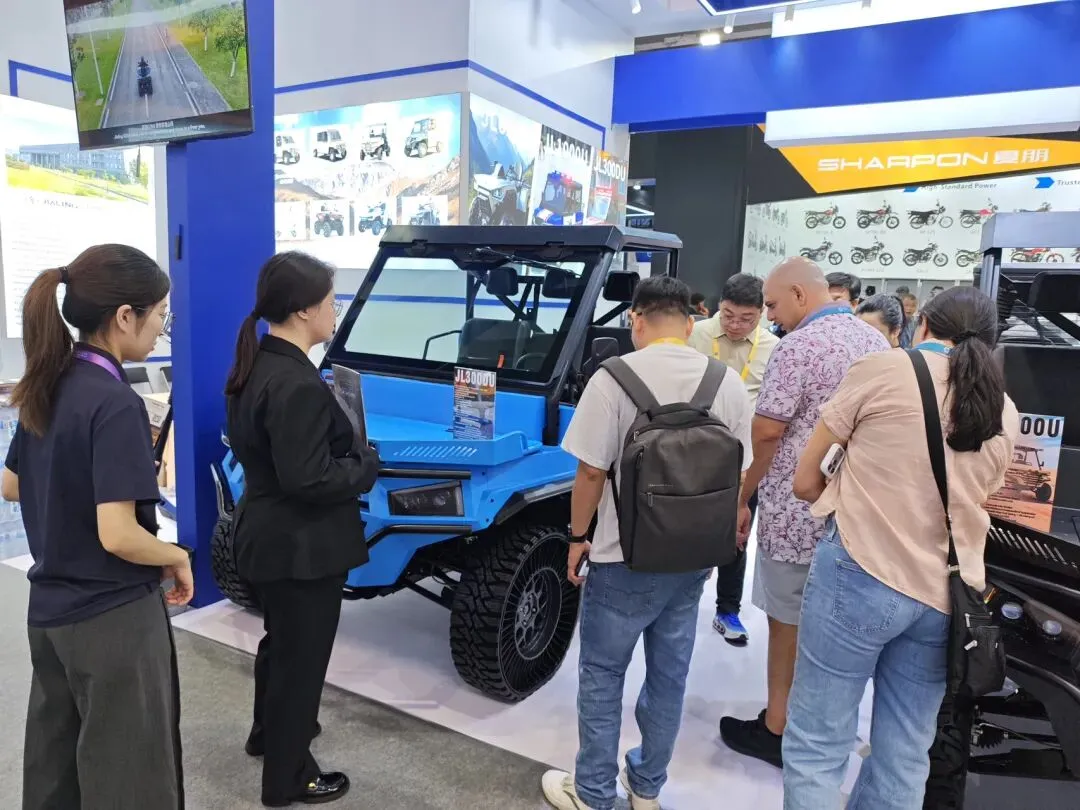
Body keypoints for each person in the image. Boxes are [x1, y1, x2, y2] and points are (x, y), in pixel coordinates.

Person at [784, 286, 1019, 809]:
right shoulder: (1004, 409)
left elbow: (805, 481)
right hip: (947, 595)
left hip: (860, 570)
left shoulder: (884, 369)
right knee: (906, 755)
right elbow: (982, 494)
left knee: (819, 743)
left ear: (924, 325)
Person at [541, 275, 753, 810]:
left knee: (602, 674)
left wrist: (577, 537)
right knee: (669, 676)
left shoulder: (613, 378)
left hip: (622, 557)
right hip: (694, 558)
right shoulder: (725, 382)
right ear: (690, 321)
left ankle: (593, 793)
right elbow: (739, 470)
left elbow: (591, 472)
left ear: (635, 319)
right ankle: (647, 789)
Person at [2, 245, 187, 810]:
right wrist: (174, 556)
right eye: (160, 315)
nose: (160, 330)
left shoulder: (48, 382)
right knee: (131, 780)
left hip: (50, 615)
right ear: (126, 316)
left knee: (55, 773)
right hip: (113, 619)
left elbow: (11, 484)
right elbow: (118, 535)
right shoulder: (114, 402)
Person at [719, 258, 888, 768]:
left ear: (798, 294)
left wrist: (743, 496)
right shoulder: (875, 342)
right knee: (838, 626)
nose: (770, 315)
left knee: (787, 620)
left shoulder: (796, 347)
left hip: (796, 511)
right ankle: (824, 728)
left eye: (772, 305)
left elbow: (768, 431)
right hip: (855, 511)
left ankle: (778, 726)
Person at [225, 252, 380, 807]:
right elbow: (309, 478)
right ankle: (288, 778)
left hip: (267, 535)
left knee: (282, 647)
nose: (336, 311)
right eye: (332, 301)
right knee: (301, 663)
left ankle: (269, 735)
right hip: (301, 547)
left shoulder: (256, 366)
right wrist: (364, 466)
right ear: (304, 310)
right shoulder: (296, 384)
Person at [689, 273, 779, 645]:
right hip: (693, 450)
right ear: (719, 306)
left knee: (737, 532)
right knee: (684, 525)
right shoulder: (695, 334)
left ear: (761, 313)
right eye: (728, 315)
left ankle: (727, 609)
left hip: (745, 457)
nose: (736, 325)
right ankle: (681, 600)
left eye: (747, 318)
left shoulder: (774, 347)